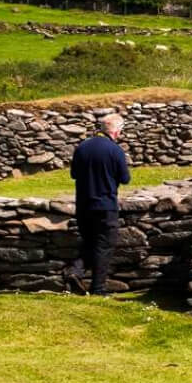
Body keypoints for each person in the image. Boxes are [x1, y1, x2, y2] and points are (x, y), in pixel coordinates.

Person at [64, 113, 130, 295]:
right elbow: (125, 179)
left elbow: (74, 174)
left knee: (89, 243)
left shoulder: (82, 147)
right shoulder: (115, 150)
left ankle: (74, 272)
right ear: (116, 131)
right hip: (105, 204)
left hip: (83, 204)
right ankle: (98, 288)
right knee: (104, 246)